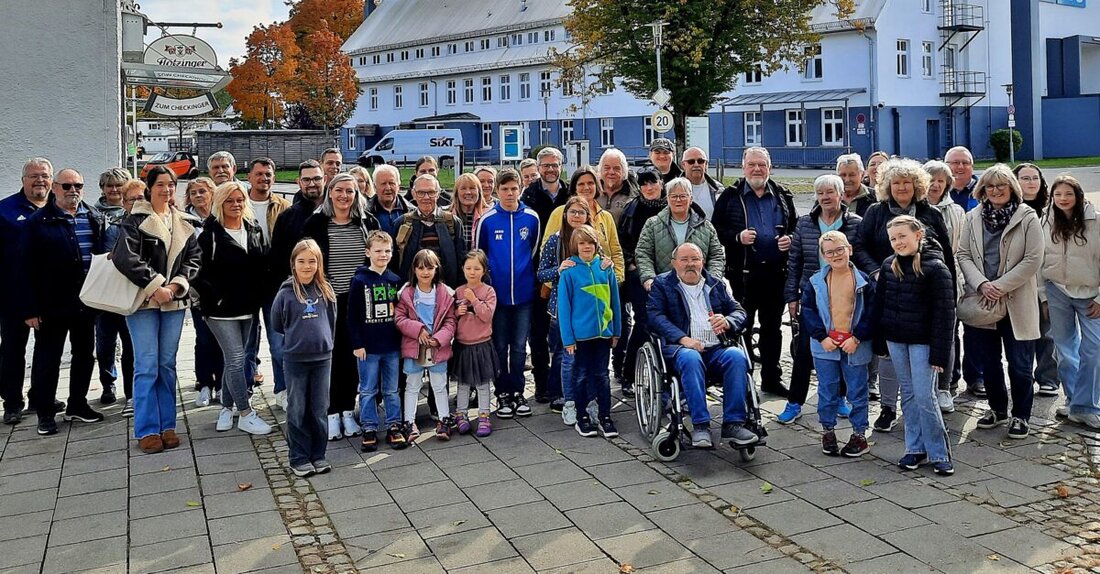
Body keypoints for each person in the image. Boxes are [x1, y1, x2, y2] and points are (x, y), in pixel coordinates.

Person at [860, 158, 955, 433]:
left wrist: (948, 291)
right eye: (896, 183)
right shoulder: (876, 213)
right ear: (887, 186)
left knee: (924, 354)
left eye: (907, 183)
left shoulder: (932, 214)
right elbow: (861, 246)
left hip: (923, 298)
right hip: (887, 292)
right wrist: (877, 272)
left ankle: (928, 405)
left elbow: (945, 256)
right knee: (888, 353)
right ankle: (888, 408)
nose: (902, 187)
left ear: (917, 186)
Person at [111, 165, 202, 454]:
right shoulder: (135, 219)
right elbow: (125, 257)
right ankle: (147, 428)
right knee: (146, 365)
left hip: (174, 302)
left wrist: (175, 286)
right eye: (160, 184)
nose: (166, 190)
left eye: (171, 185)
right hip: (143, 302)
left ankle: (168, 425)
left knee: (167, 364)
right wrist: (156, 286)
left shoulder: (184, 221)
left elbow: (194, 259)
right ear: (149, 187)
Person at [780, 174, 876, 424]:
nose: (825, 197)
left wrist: (874, 276)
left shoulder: (855, 222)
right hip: (814, 295)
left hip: (846, 294)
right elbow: (795, 261)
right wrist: (792, 296)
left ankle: (841, 399)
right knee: (803, 351)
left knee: (843, 349)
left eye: (830, 192)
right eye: (820, 193)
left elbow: (863, 254)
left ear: (841, 194)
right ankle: (794, 402)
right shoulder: (804, 223)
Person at [957, 164, 1044, 439]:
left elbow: (1033, 259)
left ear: (1011, 189)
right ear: (983, 189)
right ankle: (997, 409)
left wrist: (1000, 285)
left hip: (1017, 300)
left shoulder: (1027, 216)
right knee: (989, 361)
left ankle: (1021, 415)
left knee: (1019, 363)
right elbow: (963, 254)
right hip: (983, 300)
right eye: (990, 186)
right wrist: (982, 284)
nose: (995, 191)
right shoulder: (972, 217)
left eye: (1001, 186)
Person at [22, 168, 108, 435]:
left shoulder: (93, 216)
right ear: (55, 188)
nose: (73, 191)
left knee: (84, 355)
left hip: (86, 302)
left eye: (78, 185)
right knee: (48, 359)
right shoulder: (39, 221)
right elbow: (24, 267)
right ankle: (46, 413)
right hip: (51, 305)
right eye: (67, 186)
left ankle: (77, 405)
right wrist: (30, 308)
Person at [648, 243, 753, 448]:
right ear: (674, 263)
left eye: (694, 259)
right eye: (684, 259)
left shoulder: (716, 283)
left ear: (702, 261)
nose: (690, 264)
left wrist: (728, 321)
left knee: (737, 356)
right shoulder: (662, 284)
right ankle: (701, 425)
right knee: (690, 357)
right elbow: (654, 316)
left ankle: (733, 423)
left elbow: (739, 312)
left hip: (716, 348)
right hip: (682, 350)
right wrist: (682, 338)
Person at [713, 146, 798, 398]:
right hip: (743, 275)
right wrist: (737, 237)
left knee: (772, 329)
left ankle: (772, 378)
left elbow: (794, 226)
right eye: (752, 165)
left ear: (769, 167)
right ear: (743, 167)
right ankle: (744, 380)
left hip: (775, 273)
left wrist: (790, 239)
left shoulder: (783, 194)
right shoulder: (730, 196)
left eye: (762, 164)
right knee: (743, 327)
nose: (757, 169)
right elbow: (717, 231)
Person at [875, 216, 956, 475]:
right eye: (893, 238)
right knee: (908, 396)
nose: (898, 242)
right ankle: (914, 448)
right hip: (897, 340)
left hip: (924, 343)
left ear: (918, 235)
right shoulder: (889, 266)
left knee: (925, 396)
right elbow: (881, 305)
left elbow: (945, 315)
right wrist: (880, 340)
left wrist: (940, 354)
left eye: (902, 236)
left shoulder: (935, 269)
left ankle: (939, 452)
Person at [303, 174, 380, 440]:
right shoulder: (315, 223)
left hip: (357, 301)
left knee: (353, 357)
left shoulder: (367, 223)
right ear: (330, 192)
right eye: (339, 190)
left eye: (350, 191)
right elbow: (306, 262)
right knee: (330, 358)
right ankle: (331, 412)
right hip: (327, 300)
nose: (344, 196)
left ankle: (349, 410)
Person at [194, 181, 272, 436]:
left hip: (248, 307)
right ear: (220, 203)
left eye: (240, 200)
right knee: (237, 359)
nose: (236, 204)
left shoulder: (253, 229)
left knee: (234, 361)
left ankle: (226, 407)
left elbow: (262, 265)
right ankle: (245, 413)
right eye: (230, 200)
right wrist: (214, 297)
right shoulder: (210, 234)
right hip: (220, 310)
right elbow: (196, 272)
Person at [537, 197, 614, 422]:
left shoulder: (593, 240)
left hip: (589, 311)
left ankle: (588, 400)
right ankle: (565, 398)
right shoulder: (555, 240)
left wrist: (607, 263)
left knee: (589, 359)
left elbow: (601, 263)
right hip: (561, 309)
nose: (577, 216)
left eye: (582, 212)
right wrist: (558, 270)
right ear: (565, 215)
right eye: (573, 212)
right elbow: (541, 274)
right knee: (565, 356)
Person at [800, 231, 874, 457]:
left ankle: (859, 434)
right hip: (826, 345)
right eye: (829, 252)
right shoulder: (816, 282)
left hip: (855, 344)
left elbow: (871, 313)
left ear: (849, 249)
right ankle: (828, 430)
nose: (836, 255)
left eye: (839, 249)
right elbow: (809, 312)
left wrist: (858, 336)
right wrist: (822, 336)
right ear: (823, 256)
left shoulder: (864, 281)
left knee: (858, 390)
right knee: (827, 388)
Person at [474, 168, 540, 418]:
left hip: (523, 294)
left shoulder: (531, 218)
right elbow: (480, 254)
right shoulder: (488, 220)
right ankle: (502, 393)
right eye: (505, 189)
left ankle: (518, 392)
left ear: (521, 189)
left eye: (514, 188)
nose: (510, 193)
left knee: (520, 347)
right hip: (497, 297)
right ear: (497, 191)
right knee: (500, 346)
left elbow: (532, 249)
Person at [272, 238, 337, 477]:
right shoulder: (286, 294)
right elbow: (277, 324)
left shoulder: (326, 291)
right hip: (296, 360)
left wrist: (326, 344)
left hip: (322, 359)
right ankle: (298, 456)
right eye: (302, 261)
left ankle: (318, 454)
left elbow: (332, 321)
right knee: (297, 408)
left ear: (319, 263)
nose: (307, 266)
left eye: (312, 261)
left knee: (319, 408)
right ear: (293, 264)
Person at [1041, 175, 1100, 428]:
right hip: (1057, 290)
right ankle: (1075, 402)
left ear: (1078, 195)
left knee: (1094, 349)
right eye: (1058, 195)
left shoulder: (1095, 221)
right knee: (1065, 350)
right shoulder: (1045, 219)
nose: (1063, 199)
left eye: (1068, 194)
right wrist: (1043, 295)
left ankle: (1087, 404)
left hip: (1090, 293)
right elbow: (1038, 258)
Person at [1, 158, 53, 424]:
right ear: (23, 180)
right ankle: (12, 403)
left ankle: (39, 396)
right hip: (13, 296)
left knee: (46, 349)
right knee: (12, 349)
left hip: (48, 297)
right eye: (33, 176)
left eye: (44, 176)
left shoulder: (57, 208)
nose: (39, 181)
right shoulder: (5, 211)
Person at [559, 225, 621, 438]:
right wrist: (568, 338)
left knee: (603, 375)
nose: (586, 247)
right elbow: (564, 308)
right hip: (580, 336)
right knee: (581, 375)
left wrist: (617, 331)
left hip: (604, 334)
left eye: (590, 243)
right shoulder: (569, 272)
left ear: (597, 245)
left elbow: (615, 301)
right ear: (575, 246)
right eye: (582, 243)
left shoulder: (605, 269)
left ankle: (605, 416)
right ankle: (582, 416)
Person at [348, 231, 406, 452]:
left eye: (387, 251)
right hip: (368, 348)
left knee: (392, 389)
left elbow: (401, 315)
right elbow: (352, 316)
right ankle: (369, 427)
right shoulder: (359, 280)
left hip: (391, 347)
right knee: (368, 389)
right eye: (378, 251)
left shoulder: (395, 280)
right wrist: (357, 344)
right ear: (368, 252)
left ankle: (393, 425)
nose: (383, 255)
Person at [522, 147, 568, 403]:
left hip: (566, 277)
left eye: (555, 165)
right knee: (537, 332)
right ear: (538, 168)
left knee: (562, 334)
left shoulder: (570, 194)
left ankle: (562, 383)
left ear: (561, 166)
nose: (550, 169)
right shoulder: (527, 197)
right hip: (538, 274)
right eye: (546, 165)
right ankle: (542, 384)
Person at [395, 249, 457, 441]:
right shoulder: (407, 293)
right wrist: (418, 330)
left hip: (438, 347)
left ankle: (444, 418)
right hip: (414, 348)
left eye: (430, 268)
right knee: (412, 385)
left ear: (436, 269)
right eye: (421, 268)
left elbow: (451, 321)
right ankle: (409, 422)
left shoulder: (445, 293)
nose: (425, 272)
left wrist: (439, 338)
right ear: (414, 269)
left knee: (439, 385)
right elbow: (399, 318)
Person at [245, 157, 290, 403]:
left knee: (279, 343)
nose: (264, 178)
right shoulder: (239, 204)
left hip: (276, 284)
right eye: (259, 173)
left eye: (268, 174)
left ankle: (282, 389)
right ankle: (246, 388)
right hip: (248, 284)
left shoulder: (283, 206)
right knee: (247, 344)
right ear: (249, 177)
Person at [618, 168, 667, 398]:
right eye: (644, 184)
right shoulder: (632, 208)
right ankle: (629, 374)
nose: (649, 188)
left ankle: (666, 374)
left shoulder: (670, 205)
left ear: (661, 183)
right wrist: (631, 263)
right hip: (639, 275)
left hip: (667, 274)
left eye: (653, 183)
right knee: (644, 322)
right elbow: (622, 240)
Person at [100, 179, 145, 417]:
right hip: (123, 297)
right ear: (124, 204)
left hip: (149, 296)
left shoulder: (156, 223)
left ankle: (142, 395)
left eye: (141, 198)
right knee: (126, 348)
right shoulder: (115, 228)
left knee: (139, 350)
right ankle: (130, 396)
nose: (137, 203)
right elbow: (113, 259)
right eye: (132, 199)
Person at [1014, 162, 1060, 397]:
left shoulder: (1052, 210)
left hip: (1048, 279)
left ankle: (1048, 378)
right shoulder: (1010, 209)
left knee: (1047, 331)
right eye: (1025, 178)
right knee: (1022, 334)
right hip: (1020, 280)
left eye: (1035, 178)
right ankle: (1022, 378)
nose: (1031, 182)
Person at [924, 160, 966, 412]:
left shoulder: (956, 212)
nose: (936, 184)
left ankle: (945, 387)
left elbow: (959, 251)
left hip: (948, 282)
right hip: (919, 286)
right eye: (931, 178)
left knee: (948, 337)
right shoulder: (914, 209)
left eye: (941, 180)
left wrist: (957, 283)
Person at [945, 145, 984, 398]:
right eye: (954, 162)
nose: (960, 167)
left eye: (965, 162)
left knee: (975, 327)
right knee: (949, 328)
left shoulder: (983, 191)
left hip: (976, 270)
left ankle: (976, 377)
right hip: (948, 271)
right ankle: (950, 377)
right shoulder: (938, 189)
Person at [183, 178, 224, 408]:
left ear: (212, 194)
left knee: (221, 339)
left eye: (203, 191)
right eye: (194, 192)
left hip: (219, 289)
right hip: (197, 289)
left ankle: (220, 385)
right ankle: (204, 383)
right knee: (203, 338)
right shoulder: (185, 221)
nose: (198, 196)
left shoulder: (219, 218)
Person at [93, 167, 132, 405]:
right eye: (110, 186)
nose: (115, 190)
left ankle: (131, 391)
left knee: (130, 343)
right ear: (103, 189)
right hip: (103, 288)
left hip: (129, 287)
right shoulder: (93, 214)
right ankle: (108, 383)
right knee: (105, 342)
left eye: (119, 186)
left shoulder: (134, 212)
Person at [451, 250, 498, 437]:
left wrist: (474, 300)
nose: (472, 272)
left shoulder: (488, 291)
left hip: (482, 343)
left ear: (484, 270)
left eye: (477, 268)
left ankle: (484, 415)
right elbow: (449, 319)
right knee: (463, 383)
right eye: (468, 268)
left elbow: (487, 315)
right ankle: (461, 414)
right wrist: (457, 312)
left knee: (482, 383)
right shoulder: (457, 291)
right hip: (463, 344)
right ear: (462, 269)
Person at [396, 174, 466, 288]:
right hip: (411, 293)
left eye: (431, 192)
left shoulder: (452, 222)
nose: (426, 197)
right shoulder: (402, 223)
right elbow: (394, 261)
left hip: (447, 293)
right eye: (421, 193)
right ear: (413, 194)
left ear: (438, 194)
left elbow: (461, 260)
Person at [270, 161, 327, 284]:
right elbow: (278, 260)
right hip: (299, 287)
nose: (312, 184)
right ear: (299, 182)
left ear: (325, 179)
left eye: (317, 179)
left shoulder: (338, 211)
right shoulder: (286, 218)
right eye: (306, 180)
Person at [367, 164, 412, 240]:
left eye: (392, 183)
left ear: (398, 186)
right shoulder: (365, 214)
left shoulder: (411, 211)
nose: (388, 188)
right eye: (383, 184)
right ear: (375, 187)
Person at [596, 148, 637, 224]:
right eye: (607, 168)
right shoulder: (592, 192)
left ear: (624, 171)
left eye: (616, 168)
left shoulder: (634, 197)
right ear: (600, 170)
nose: (611, 172)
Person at [680, 147, 721, 220]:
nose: (696, 165)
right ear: (683, 165)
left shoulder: (719, 189)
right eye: (691, 161)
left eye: (700, 161)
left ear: (706, 164)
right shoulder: (673, 188)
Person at [450, 173, 490, 247]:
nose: (468, 192)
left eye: (472, 188)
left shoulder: (488, 217)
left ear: (479, 192)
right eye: (463, 188)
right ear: (456, 193)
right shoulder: (446, 216)